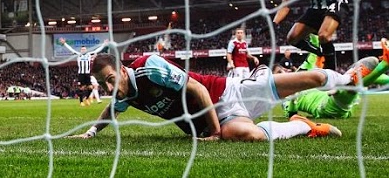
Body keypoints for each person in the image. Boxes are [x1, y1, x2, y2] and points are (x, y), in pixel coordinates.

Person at [68, 52, 377, 142]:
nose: (109, 89)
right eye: (102, 84)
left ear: (121, 71)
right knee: (245, 134)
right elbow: (112, 110)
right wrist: (92, 131)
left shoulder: (149, 68)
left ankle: (345, 79)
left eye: (109, 80)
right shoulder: (124, 93)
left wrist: (214, 133)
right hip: (220, 116)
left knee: (309, 78)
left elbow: (199, 90)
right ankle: (304, 125)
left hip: (227, 91)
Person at [283, 38, 389, 119]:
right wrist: (293, 97)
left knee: (364, 68)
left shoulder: (303, 73)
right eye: (280, 73)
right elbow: (291, 115)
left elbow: (313, 52)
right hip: (326, 108)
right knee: (351, 85)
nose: (286, 71)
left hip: (336, 94)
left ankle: (384, 68)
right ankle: (384, 64)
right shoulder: (285, 97)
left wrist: (314, 30)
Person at [60, 38, 108, 106]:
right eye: (82, 49)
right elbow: (71, 49)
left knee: (91, 87)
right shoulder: (79, 54)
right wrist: (64, 43)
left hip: (87, 74)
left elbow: (97, 50)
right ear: (81, 50)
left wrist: (104, 44)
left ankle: (87, 98)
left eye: (84, 49)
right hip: (81, 74)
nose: (83, 50)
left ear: (86, 50)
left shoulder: (89, 54)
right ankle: (81, 102)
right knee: (82, 88)